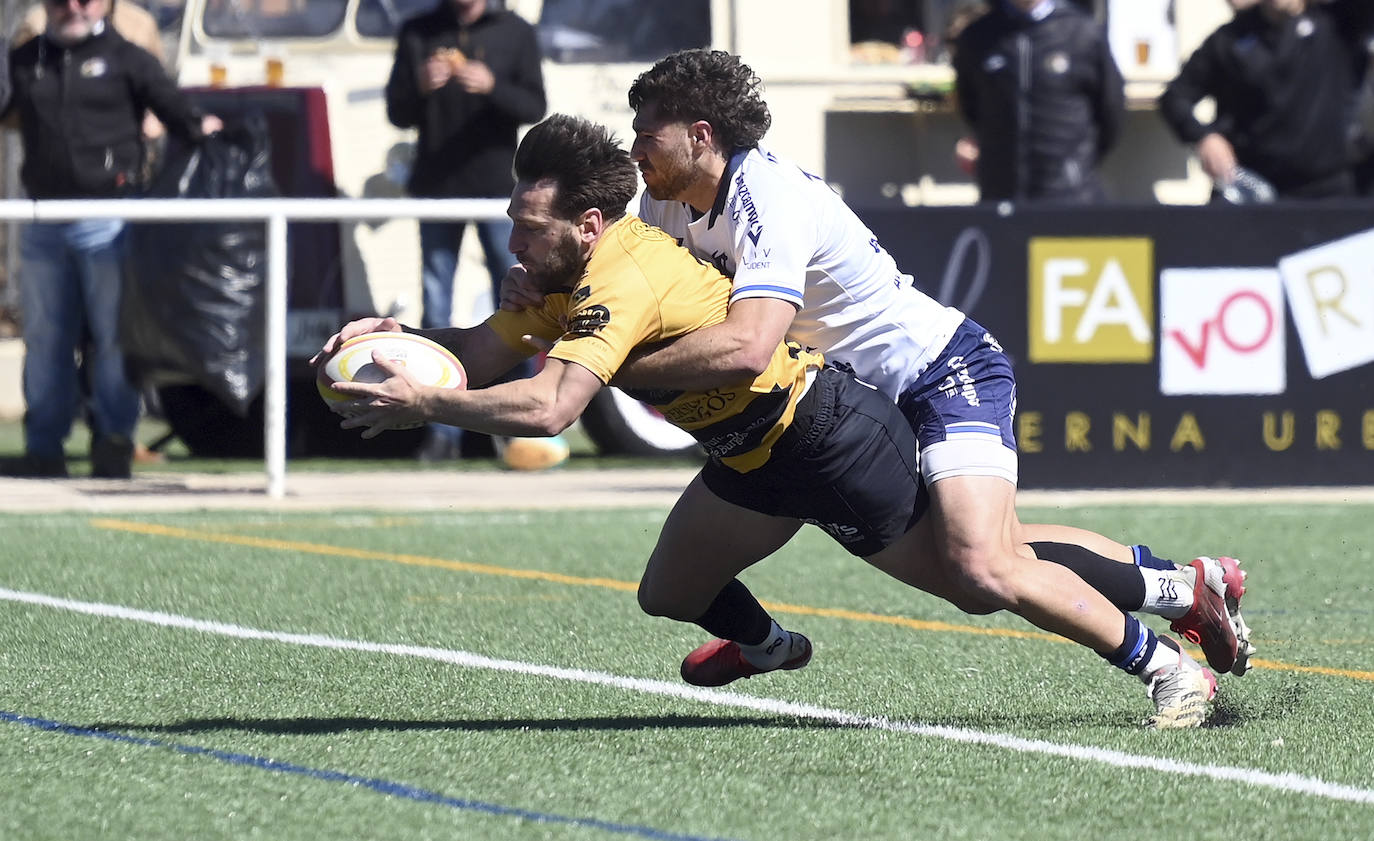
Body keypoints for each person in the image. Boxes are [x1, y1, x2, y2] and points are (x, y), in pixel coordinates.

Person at [320, 114, 1218, 728]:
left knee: (979, 571)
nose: (515, 246)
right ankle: (768, 645)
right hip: (748, 459)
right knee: (667, 592)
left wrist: (427, 404)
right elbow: (480, 348)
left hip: (823, 437)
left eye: (528, 228)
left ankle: (1169, 654)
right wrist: (401, 345)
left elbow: (552, 407)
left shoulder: (618, 278)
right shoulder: (557, 277)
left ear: (588, 225)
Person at [1, 0, 220, 478]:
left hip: (111, 220)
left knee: (114, 340)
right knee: (45, 341)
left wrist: (214, 134)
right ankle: (43, 448)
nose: (73, 8)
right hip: (42, 219)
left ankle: (115, 440)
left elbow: (181, 115)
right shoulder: (23, 60)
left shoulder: (128, 57)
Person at [384, 0, 562, 468]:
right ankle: (440, 434)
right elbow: (396, 111)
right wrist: (420, 86)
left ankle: (518, 430)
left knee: (523, 307)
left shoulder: (514, 31)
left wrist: (491, 86)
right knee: (435, 304)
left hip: (496, 193)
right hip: (435, 189)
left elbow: (535, 105)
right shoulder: (419, 30)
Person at [1159, 0, 1374, 201]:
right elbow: (1175, 97)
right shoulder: (1231, 38)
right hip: (1253, 190)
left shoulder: (1340, 25)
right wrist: (1204, 138)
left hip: (1329, 193)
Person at [952, 0, 1124, 203]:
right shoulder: (978, 37)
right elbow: (970, 105)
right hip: (1002, 197)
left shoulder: (1081, 33)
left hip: (1070, 197)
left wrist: (1075, 166)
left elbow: (1110, 111)